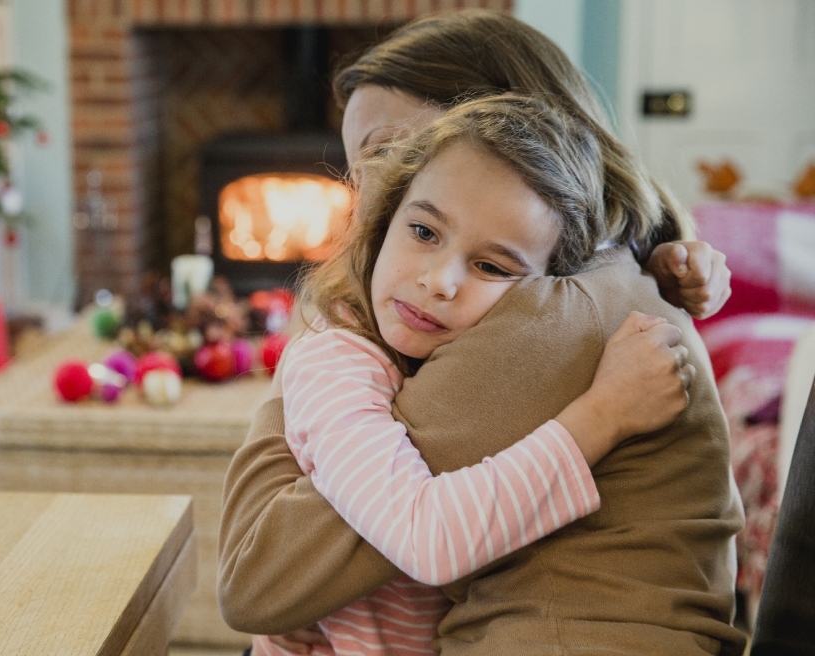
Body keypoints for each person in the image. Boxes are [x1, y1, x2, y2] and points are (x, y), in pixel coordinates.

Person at [218, 10, 744, 656]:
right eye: (358, 166)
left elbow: (254, 579)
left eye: (386, 151)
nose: (366, 194)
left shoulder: (552, 316)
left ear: (502, 126)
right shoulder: (601, 266)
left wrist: (300, 374)